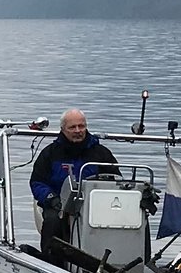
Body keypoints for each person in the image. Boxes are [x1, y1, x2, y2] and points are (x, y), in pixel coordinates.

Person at [30, 108, 118, 255]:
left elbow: (116, 181)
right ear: (63, 129)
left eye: (81, 126)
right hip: (59, 204)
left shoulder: (101, 153)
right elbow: (37, 182)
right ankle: (51, 260)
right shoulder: (50, 153)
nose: (78, 130)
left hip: (96, 206)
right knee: (53, 221)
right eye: (72, 127)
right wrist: (51, 199)